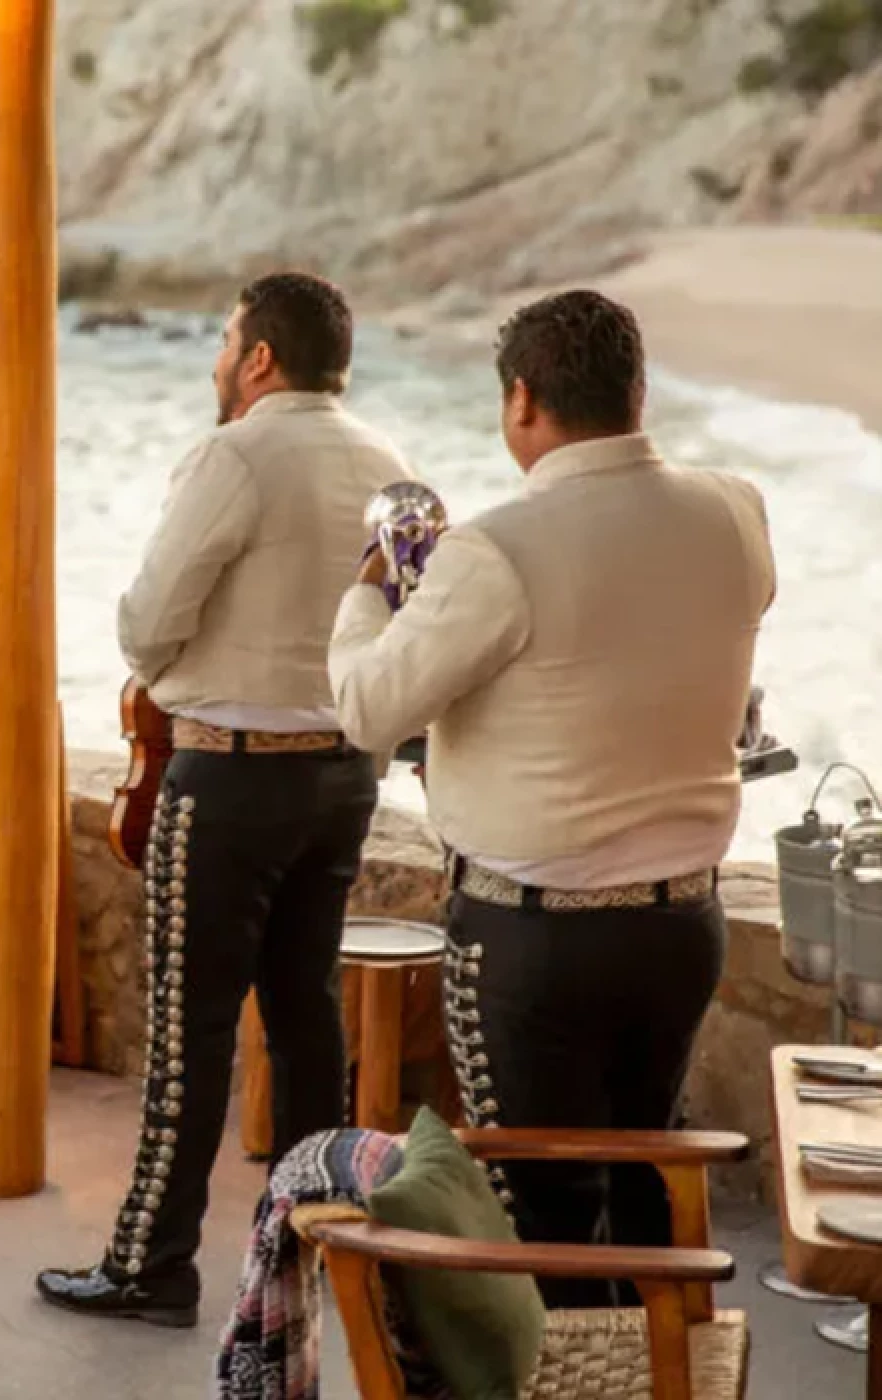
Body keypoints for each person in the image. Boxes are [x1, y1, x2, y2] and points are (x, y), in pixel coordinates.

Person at [327, 290, 774, 1304]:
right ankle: (656, 1366)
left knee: (539, 1220)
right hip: (678, 924)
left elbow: (365, 705)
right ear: (636, 392)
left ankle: (576, 1370)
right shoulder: (735, 509)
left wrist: (367, 593)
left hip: (532, 942)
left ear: (519, 399)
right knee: (643, 1172)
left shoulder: (494, 549)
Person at [35, 272, 413, 1328]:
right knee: (303, 1016)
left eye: (221, 339)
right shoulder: (393, 463)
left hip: (232, 773)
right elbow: (407, 624)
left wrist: (163, 645)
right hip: (341, 773)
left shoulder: (233, 453)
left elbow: (150, 620)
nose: (214, 359)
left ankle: (151, 1262)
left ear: (258, 358)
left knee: (188, 1028)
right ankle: (309, 1240)